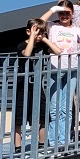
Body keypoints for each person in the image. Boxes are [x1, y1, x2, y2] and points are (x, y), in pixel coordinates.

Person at [44, 1, 80, 145]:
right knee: (54, 107)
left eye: (67, 13)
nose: (64, 16)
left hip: (72, 69)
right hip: (54, 69)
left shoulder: (77, 29)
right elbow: (39, 23)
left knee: (67, 108)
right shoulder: (52, 26)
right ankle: (53, 141)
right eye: (61, 13)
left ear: (72, 14)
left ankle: (64, 140)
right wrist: (53, 9)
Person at [15, 18, 59, 148]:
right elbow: (27, 54)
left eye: (41, 33)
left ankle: (41, 144)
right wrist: (32, 38)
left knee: (43, 115)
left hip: (37, 86)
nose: (38, 36)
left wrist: (44, 39)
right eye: (36, 32)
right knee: (19, 117)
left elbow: (58, 51)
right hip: (23, 85)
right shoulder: (22, 45)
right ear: (28, 31)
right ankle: (17, 147)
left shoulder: (41, 46)